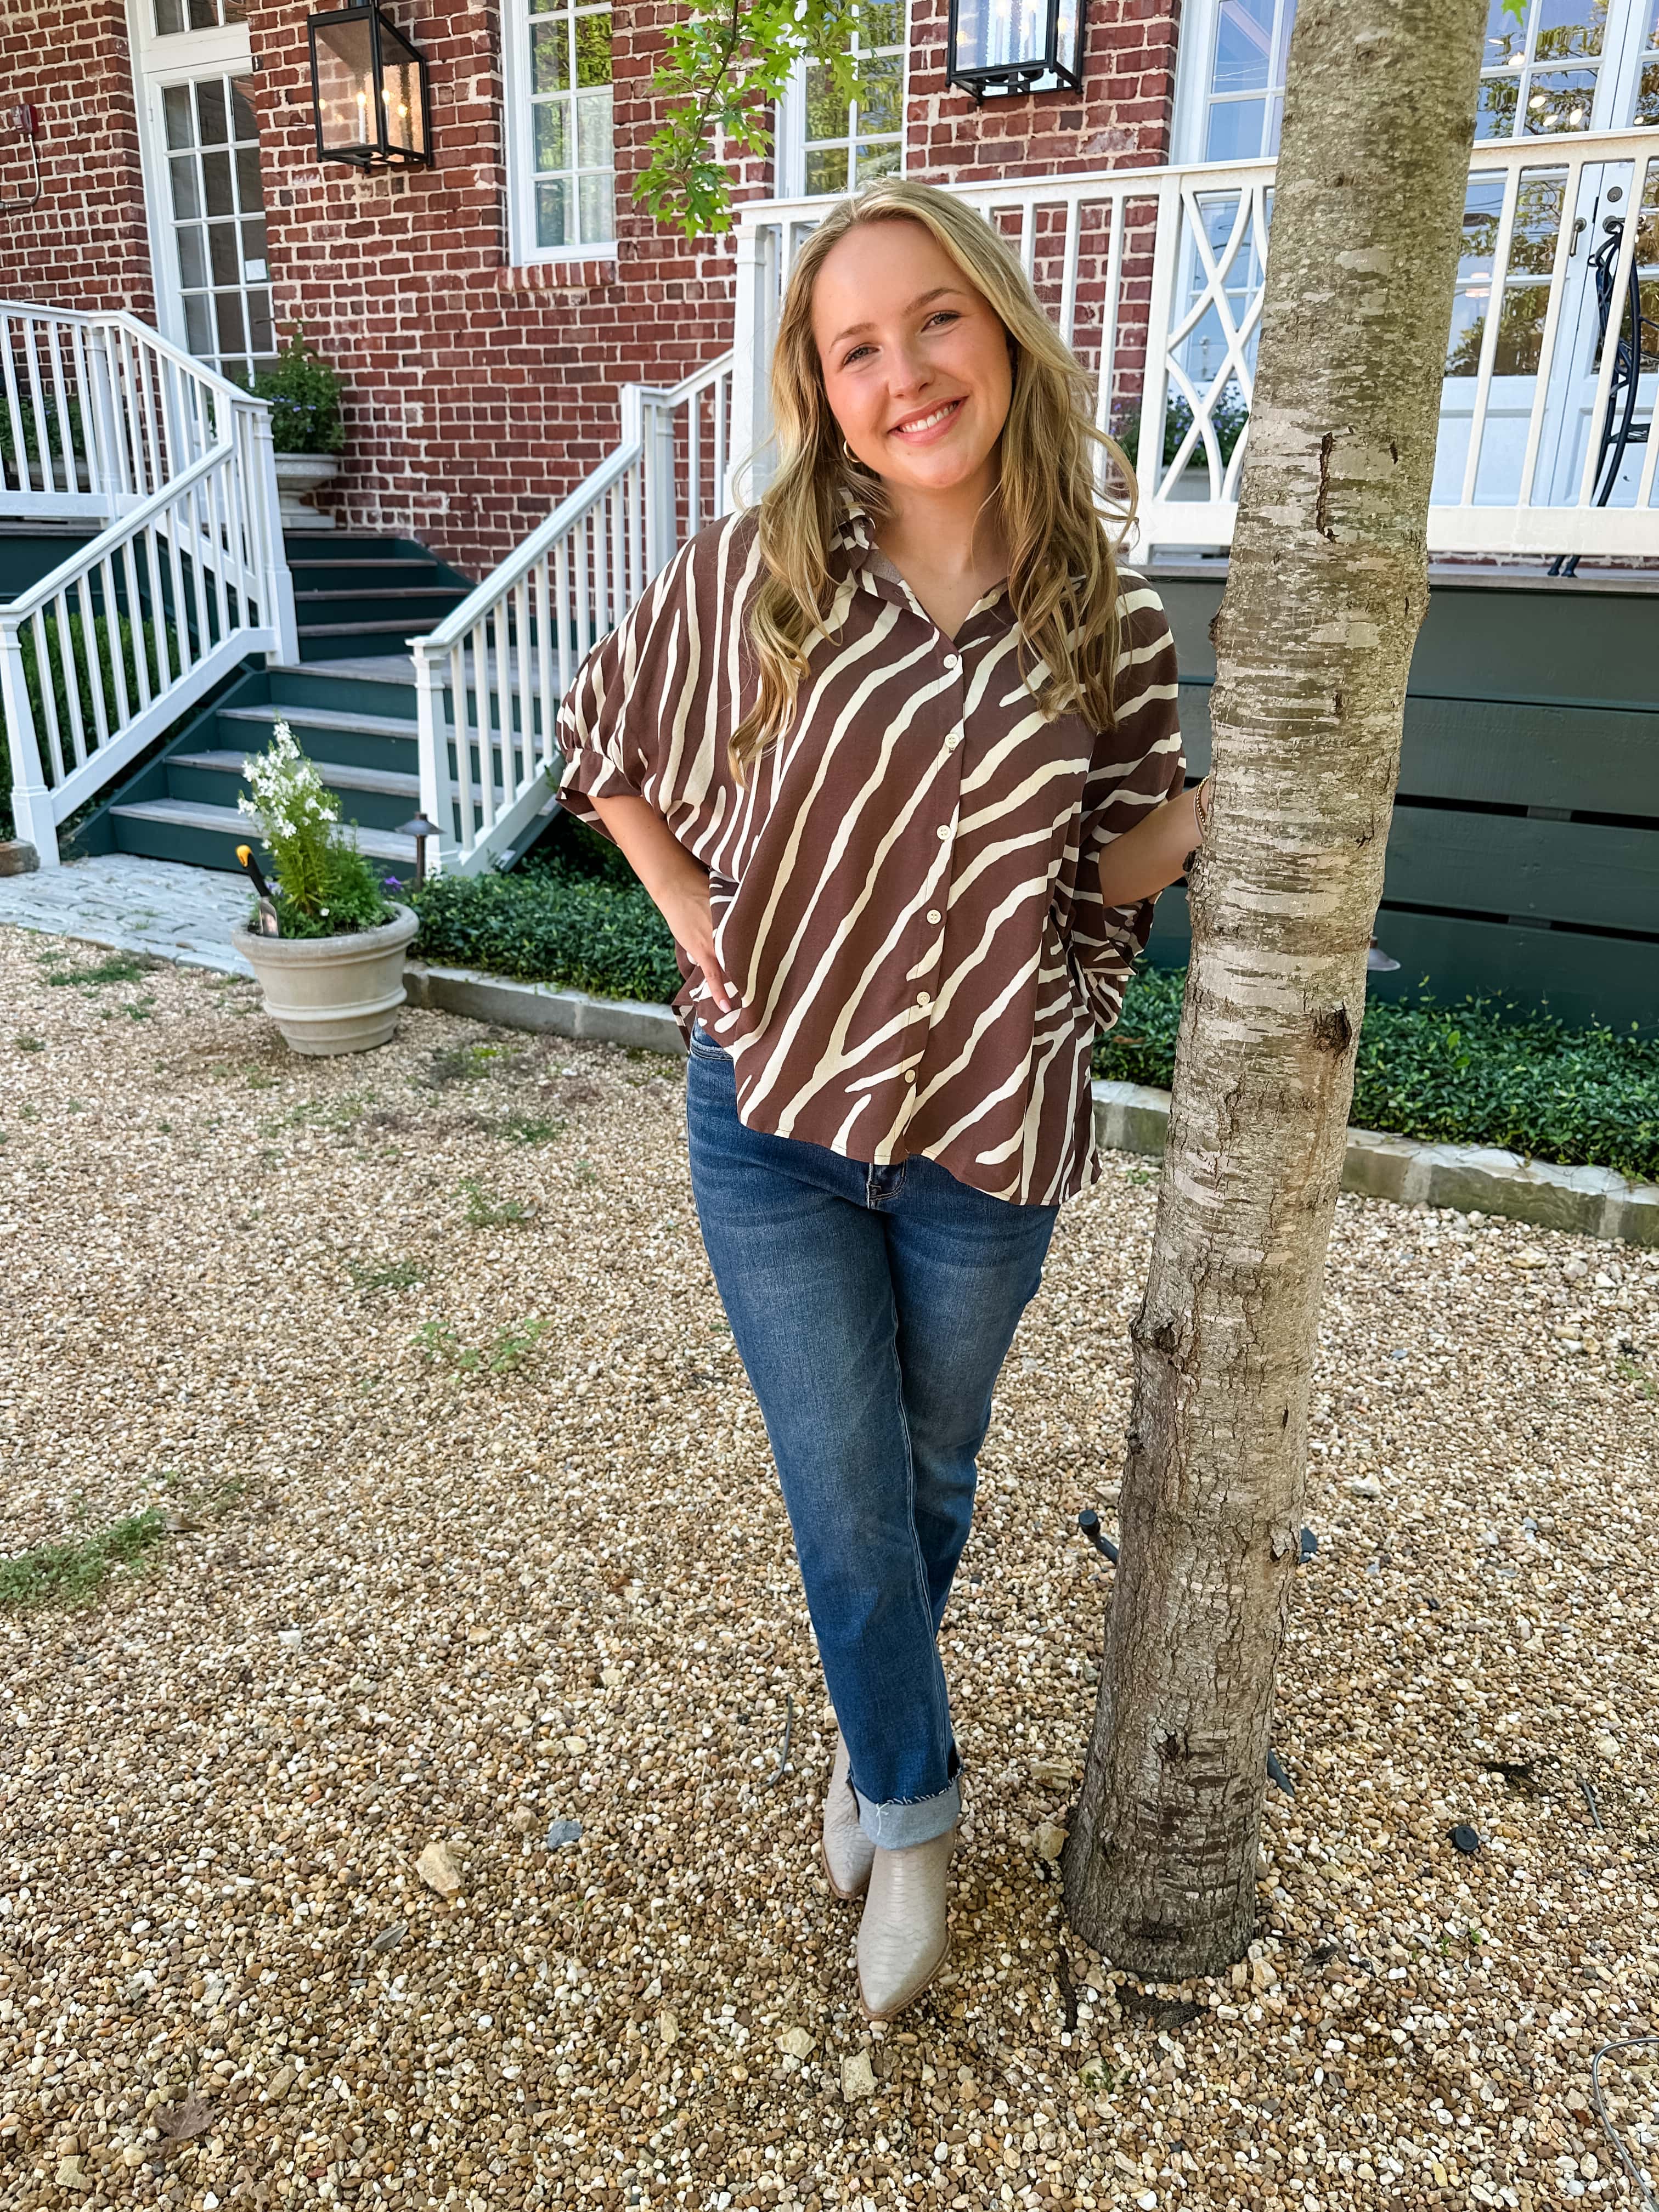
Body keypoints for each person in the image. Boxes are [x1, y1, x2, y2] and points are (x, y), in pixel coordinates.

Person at [555, 177, 1214, 2024]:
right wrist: (713, 949)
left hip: (985, 1142)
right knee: (847, 1489)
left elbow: (1111, 870)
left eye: (934, 320)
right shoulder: (775, 569)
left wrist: (1258, 804)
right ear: (820, 385)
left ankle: (867, 1741)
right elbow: (608, 743)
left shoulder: (1112, 615)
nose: (905, 370)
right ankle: (913, 1821)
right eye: (857, 346)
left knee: (927, 1480)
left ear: (997, 326)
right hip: (769, 1122)